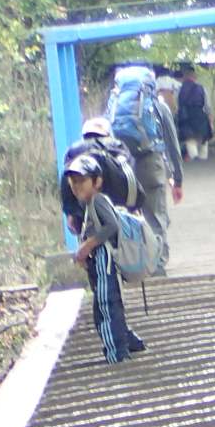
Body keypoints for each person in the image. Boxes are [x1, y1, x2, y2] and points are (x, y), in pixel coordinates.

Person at [60, 148, 147, 365]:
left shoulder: (98, 200)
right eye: (73, 182)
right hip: (99, 261)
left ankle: (116, 353)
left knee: (106, 305)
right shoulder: (86, 204)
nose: (77, 186)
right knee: (106, 305)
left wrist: (88, 245)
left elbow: (112, 226)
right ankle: (128, 343)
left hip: (105, 260)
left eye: (82, 181)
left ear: (97, 181)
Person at [105, 62, 183, 256]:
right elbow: (172, 146)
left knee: (125, 214)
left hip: (121, 166)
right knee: (155, 216)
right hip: (150, 163)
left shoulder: (114, 105)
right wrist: (177, 179)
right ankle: (158, 262)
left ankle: (130, 261)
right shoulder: (158, 106)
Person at [176, 64, 214, 161]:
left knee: (190, 140)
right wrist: (210, 121)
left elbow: (177, 105)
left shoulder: (179, 89)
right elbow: (208, 106)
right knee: (203, 140)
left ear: (184, 77)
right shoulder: (201, 88)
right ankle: (203, 160)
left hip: (185, 117)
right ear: (194, 77)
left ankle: (194, 160)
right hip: (200, 116)